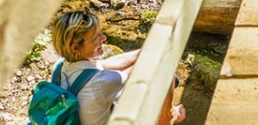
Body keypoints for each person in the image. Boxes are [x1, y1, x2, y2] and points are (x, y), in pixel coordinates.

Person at [46, 10, 185, 125]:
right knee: (166, 70)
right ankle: (167, 118)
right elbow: (147, 66)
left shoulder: (59, 66)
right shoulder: (102, 82)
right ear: (75, 47)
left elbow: (109, 63)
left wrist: (152, 45)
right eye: (96, 37)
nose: (104, 38)